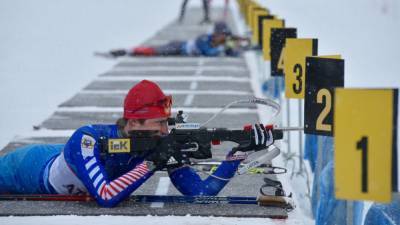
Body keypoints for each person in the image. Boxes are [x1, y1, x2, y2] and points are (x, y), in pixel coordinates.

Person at [0, 80, 274, 207]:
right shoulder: (87, 139)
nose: (166, 131)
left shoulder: (159, 143)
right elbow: (106, 196)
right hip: (26, 169)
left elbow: (199, 193)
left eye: (167, 123)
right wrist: (152, 163)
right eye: (159, 123)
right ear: (133, 124)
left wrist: (236, 155)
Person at [96, 21, 252, 58]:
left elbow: (232, 48)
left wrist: (243, 43)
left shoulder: (222, 40)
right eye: (222, 35)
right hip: (178, 47)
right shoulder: (205, 38)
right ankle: (124, 51)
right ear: (217, 34)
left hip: (180, 48)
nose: (223, 38)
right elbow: (208, 52)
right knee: (152, 51)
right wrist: (226, 48)